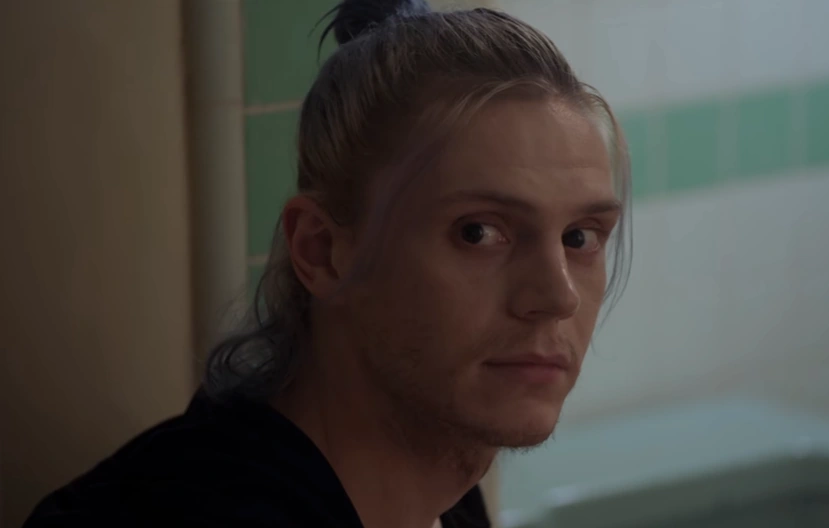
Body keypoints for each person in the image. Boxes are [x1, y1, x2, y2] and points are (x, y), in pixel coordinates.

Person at [23, 0, 630, 526]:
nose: (558, 296)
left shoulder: (443, 489)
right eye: (478, 232)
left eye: (579, 237)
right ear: (320, 250)